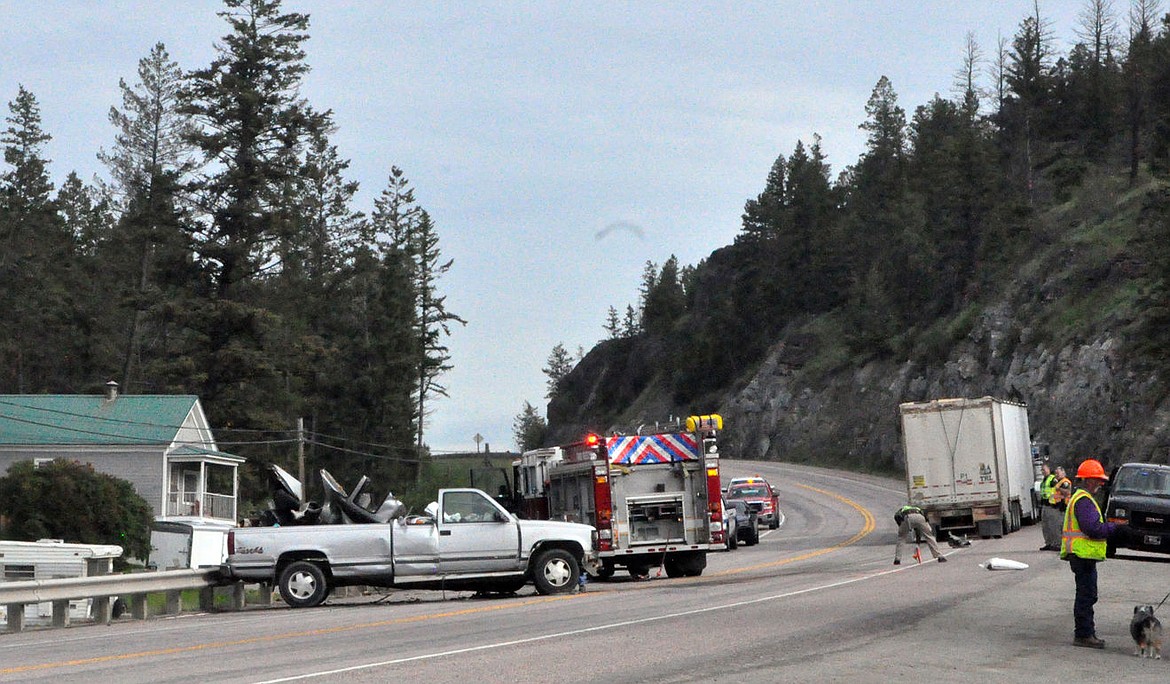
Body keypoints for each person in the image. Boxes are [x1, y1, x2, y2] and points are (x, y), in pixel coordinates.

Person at [1060, 458, 1119, 649]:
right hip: (1082, 555)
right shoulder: (1084, 501)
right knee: (1087, 595)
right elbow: (1093, 528)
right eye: (1098, 480)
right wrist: (1115, 528)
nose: (1101, 484)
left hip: (1081, 555)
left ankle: (1085, 633)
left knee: (1086, 594)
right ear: (1089, 480)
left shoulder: (1081, 498)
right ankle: (1084, 634)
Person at [1038, 464, 1060, 550]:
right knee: (1045, 526)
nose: (1043, 471)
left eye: (1044, 469)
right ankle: (1049, 543)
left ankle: (1057, 543)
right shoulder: (1044, 480)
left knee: (1053, 525)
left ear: (1049, 469)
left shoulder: (1052, 479)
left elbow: (1058, 490)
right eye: (1042, 470)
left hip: (1052, 505)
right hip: (1045, 504)